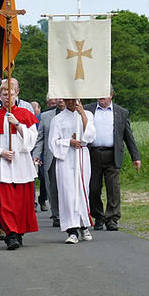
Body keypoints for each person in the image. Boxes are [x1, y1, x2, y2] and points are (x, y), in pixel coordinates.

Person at [0, 80, 39, 250]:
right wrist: (0, 152)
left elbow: (31, 138)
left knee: (21, 202)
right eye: (4, 94)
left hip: (21, 162)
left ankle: (19, 232)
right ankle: (11, 233)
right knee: (5, 203)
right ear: (0, 96)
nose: (8, 97)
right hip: (4, 163)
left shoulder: (23, 114)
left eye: (11, 94)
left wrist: (17, 124)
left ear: (17, 95)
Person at [85, 89, 142, 231]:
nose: (101, 97)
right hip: (93, 154)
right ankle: (98, 216)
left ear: (111, 94)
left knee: (113, 188)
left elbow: (128, 136)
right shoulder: (88, 110)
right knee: (93, 188)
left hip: (112, 154)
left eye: (104, 94)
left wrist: (136, 157)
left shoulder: (121, 112)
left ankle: (112, 218)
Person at [49, 98, 96, 244]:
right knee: (68, 193)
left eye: (73, 100)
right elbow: (53, 142)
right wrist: (68, 141)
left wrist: (82, 115)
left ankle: (84, 225)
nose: (70, 103)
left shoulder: (88, 114)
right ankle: (72, 230)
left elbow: (91, 136)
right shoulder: (58, 119)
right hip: (66, 158)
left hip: (81, 155)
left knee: (82, 191)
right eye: (67, 100)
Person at [32, 97, 63, 227]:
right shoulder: (45, 116)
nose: (60, 100)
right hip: (51, 156)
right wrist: (36, 155)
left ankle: (70, 214)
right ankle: (56, 214)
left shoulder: (76, 114)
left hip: (69, 156)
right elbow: (40, 138)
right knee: (52, 186)